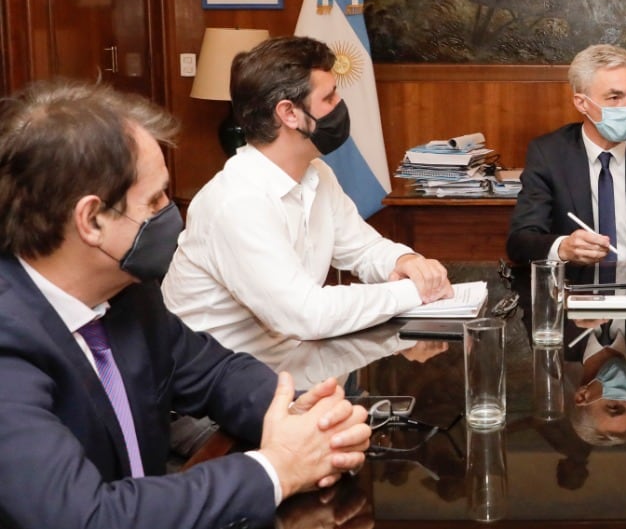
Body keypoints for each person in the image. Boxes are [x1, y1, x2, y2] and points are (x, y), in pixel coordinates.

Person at [0, 79, 371, 529]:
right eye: (154, 201)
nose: (171, 214)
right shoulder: (7, 344)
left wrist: (303, 415)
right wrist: (277, 469)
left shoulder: (130, 296)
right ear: (91, 220)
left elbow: (215, 370)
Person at [162, 36, 452, 371]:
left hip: (288, 369)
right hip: (213, 395)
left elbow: (363, 249)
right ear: (289, 114)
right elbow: (307, 313)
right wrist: (414, 292)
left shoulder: (317, 174)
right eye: (328, 97)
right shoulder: (236, 202)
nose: (340, 103)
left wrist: (406, 260)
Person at [506, 44, 626, 265]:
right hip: (574, 291)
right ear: (582, 103)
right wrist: (562, 248)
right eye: (615, 97)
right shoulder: (549, 155)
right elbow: (520, 241)